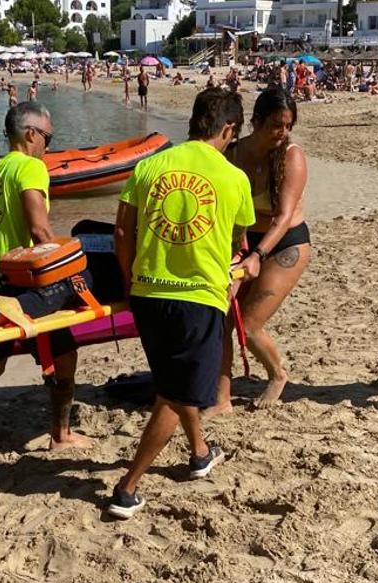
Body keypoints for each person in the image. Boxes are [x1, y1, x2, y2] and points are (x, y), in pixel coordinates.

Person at [106, 88, 258, 519]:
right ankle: (127, 488)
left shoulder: (150, 165)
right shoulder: (234, 178)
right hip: (197, 298)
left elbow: (122, 233)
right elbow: (236, 243)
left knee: (176, 378)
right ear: (228, 129)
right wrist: (244, 266)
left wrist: (130, 278)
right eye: (234, 134)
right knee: (174, 393)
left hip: (148, 294)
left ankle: (199, 452)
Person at [0, 102, 93, 480]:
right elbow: (40, 233)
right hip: (27, 287)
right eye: (48, 139)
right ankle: (61, 434)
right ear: (30, 134)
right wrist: (73, 271)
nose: (49, 147)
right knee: (67, 349)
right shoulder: (30, 167)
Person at [212, 87, 310, 414]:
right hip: (244, 243)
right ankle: (221, 399)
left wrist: (257, 255)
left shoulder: (291, 156)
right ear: (255, 122)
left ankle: (277, 373)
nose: (282, 133)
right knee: (222, 320)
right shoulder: (233, 154)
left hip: (284, 244)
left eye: (288, 126)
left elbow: (282, 218)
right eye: (275, 125)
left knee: (250, 326)